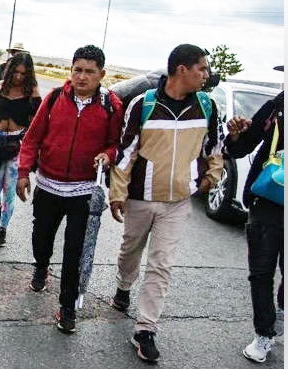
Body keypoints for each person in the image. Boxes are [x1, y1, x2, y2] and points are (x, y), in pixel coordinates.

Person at [108, 44, 223, 362]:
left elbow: (213, 148)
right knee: (130, 250)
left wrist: (209, 179)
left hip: (178, 202)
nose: (206, 74)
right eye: (202, 68)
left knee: (161, 264)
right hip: (140, 198)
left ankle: (145, 329)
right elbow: (126, 153)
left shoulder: (206, 106)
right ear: (181, 69)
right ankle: (123, 286)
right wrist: (117, 192)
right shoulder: (142, 105)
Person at [16, 45, 123, 333]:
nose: (82, 77)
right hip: (48, 186)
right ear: (71, 70)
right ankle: (41, 266)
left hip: (83, 191)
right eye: (78, 70)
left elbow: (116, 144)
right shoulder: (53, 99)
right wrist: (24, 172)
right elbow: (32, 138)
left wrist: (108, 155)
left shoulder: (111, 106)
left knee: (75, 251)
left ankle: (67, 308)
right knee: (42, 237)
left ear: (101, 74)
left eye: (90, 72)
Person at [225, 82, 284, 363]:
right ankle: (264, 334)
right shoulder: (276, 108)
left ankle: (281, 309)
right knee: (261, 273)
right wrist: (235, 136)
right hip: (268, 202)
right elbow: (240, 149)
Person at [0, 52, 39, 246]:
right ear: (10, 70)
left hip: (17, 146)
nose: (19, 77)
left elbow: (34, 127)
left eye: (24, 73)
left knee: (9, 189)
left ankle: (3, 229)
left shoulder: (32, 94)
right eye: (16, 72)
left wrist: (33, 155)